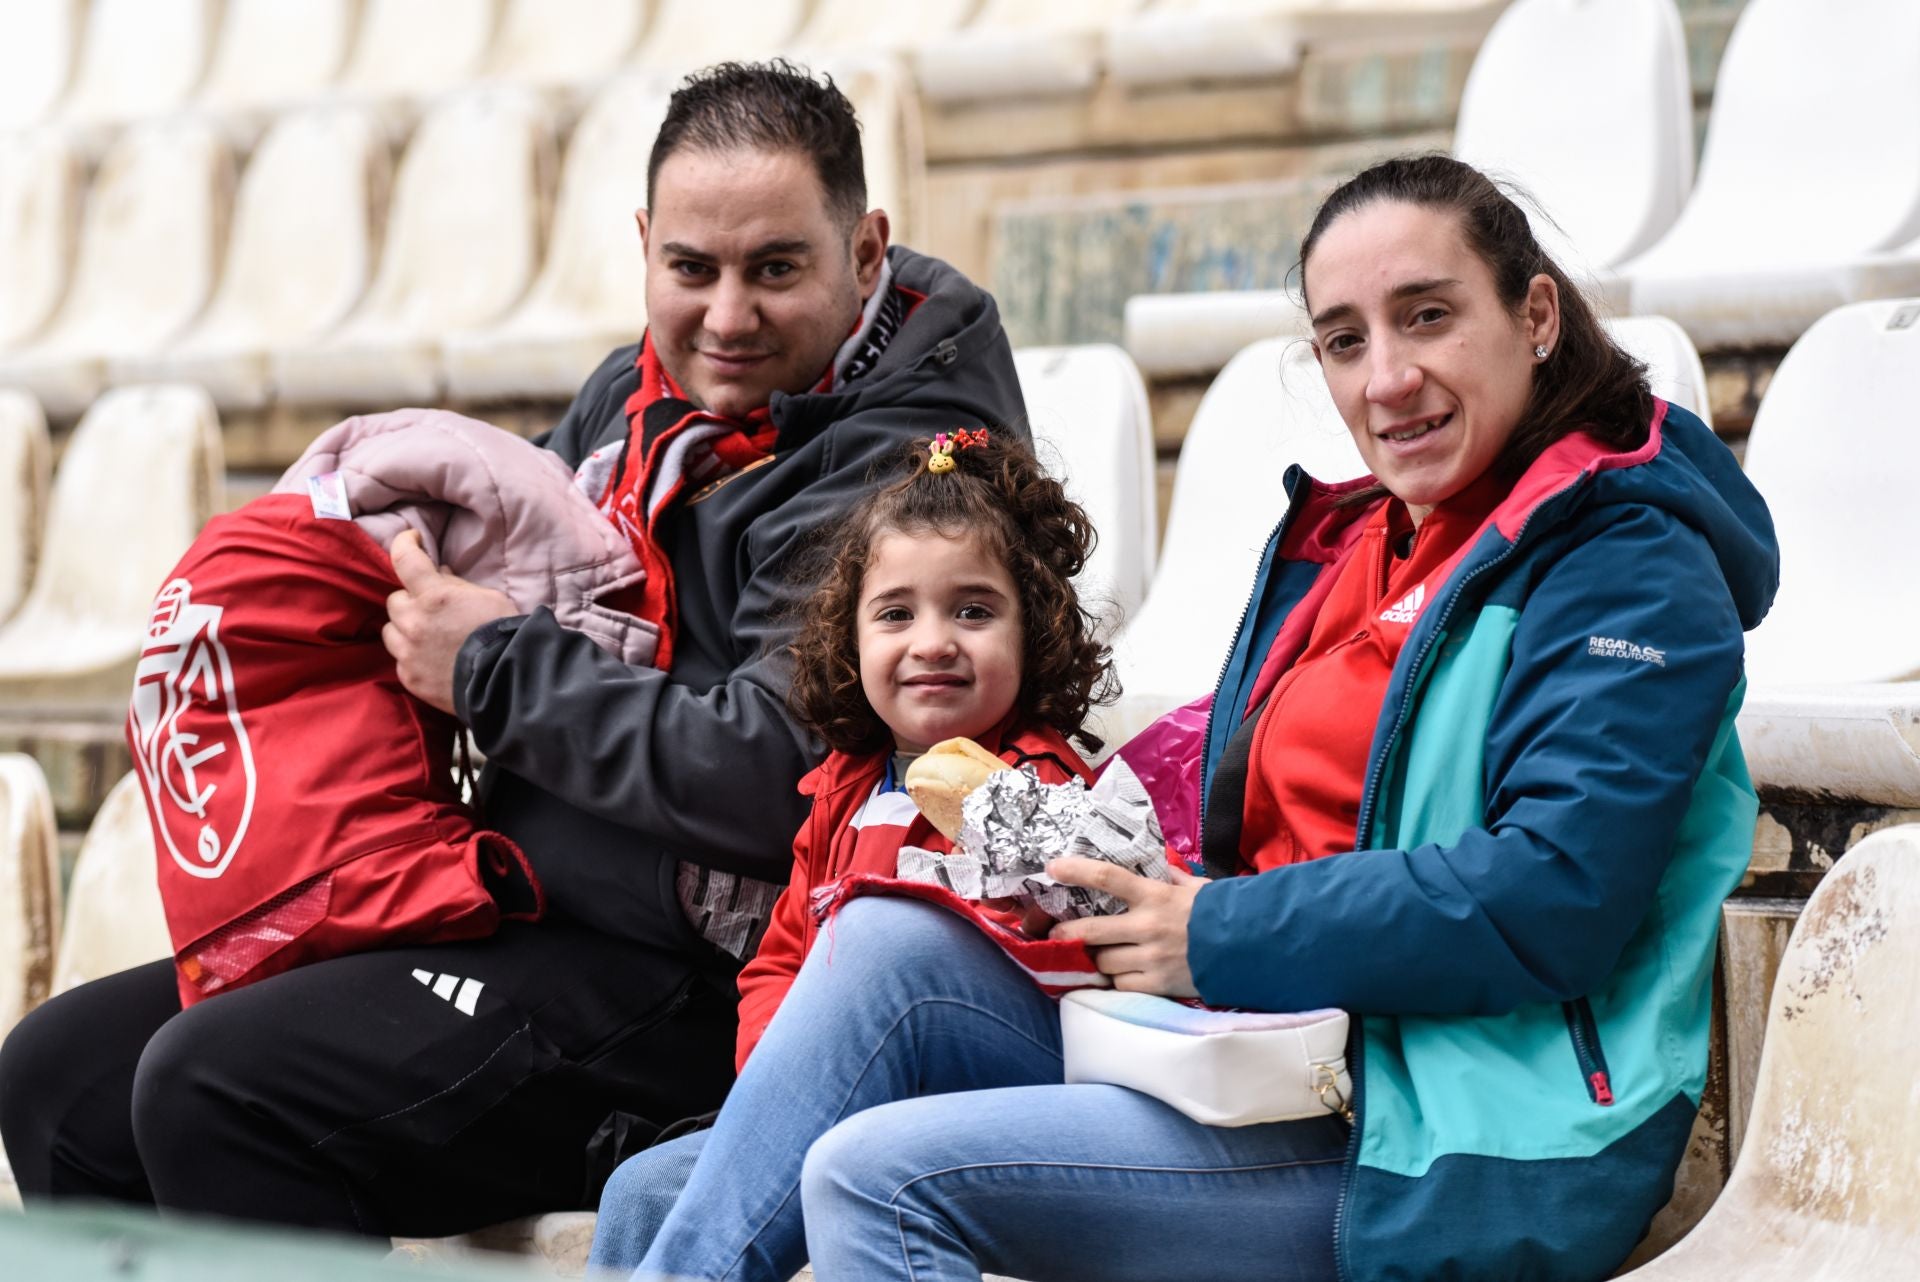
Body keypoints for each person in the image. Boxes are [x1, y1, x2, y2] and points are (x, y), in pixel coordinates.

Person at [605, 153, 1779, 1282]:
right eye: (1344, 339)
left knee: (871, 1176)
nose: (1387, 379)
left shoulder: (1628, 565)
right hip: (1268, 1051)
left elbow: (1556, 895)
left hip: (1447, 1126)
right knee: (674, 1167)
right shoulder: (1358, 541)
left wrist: (1215, 932)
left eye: (1428, 316)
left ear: (1534, 315)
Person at [0, 61, 1027, 1237]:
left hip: (715, 987)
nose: (727, 315)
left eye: (776, 270)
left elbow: (774, 774)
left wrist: (490, 667)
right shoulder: (643, 394)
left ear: (864, 251)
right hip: (535, 903)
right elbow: (492, 564)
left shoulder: (914, 466)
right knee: (57, 1077)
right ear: (645, 246)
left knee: (217, 1085)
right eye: (690, 269)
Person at [590, 427, 1115, 1270]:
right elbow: (780, 964)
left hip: (987, 1098)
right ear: (852, 638)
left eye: (974, 611)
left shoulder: (1043, 786)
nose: (933, 641)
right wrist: (785, 1085)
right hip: (841, 1097)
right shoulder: (841, 791)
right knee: (644, 1187)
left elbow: (1071, 960)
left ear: (1035, 632)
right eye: (896, 613)